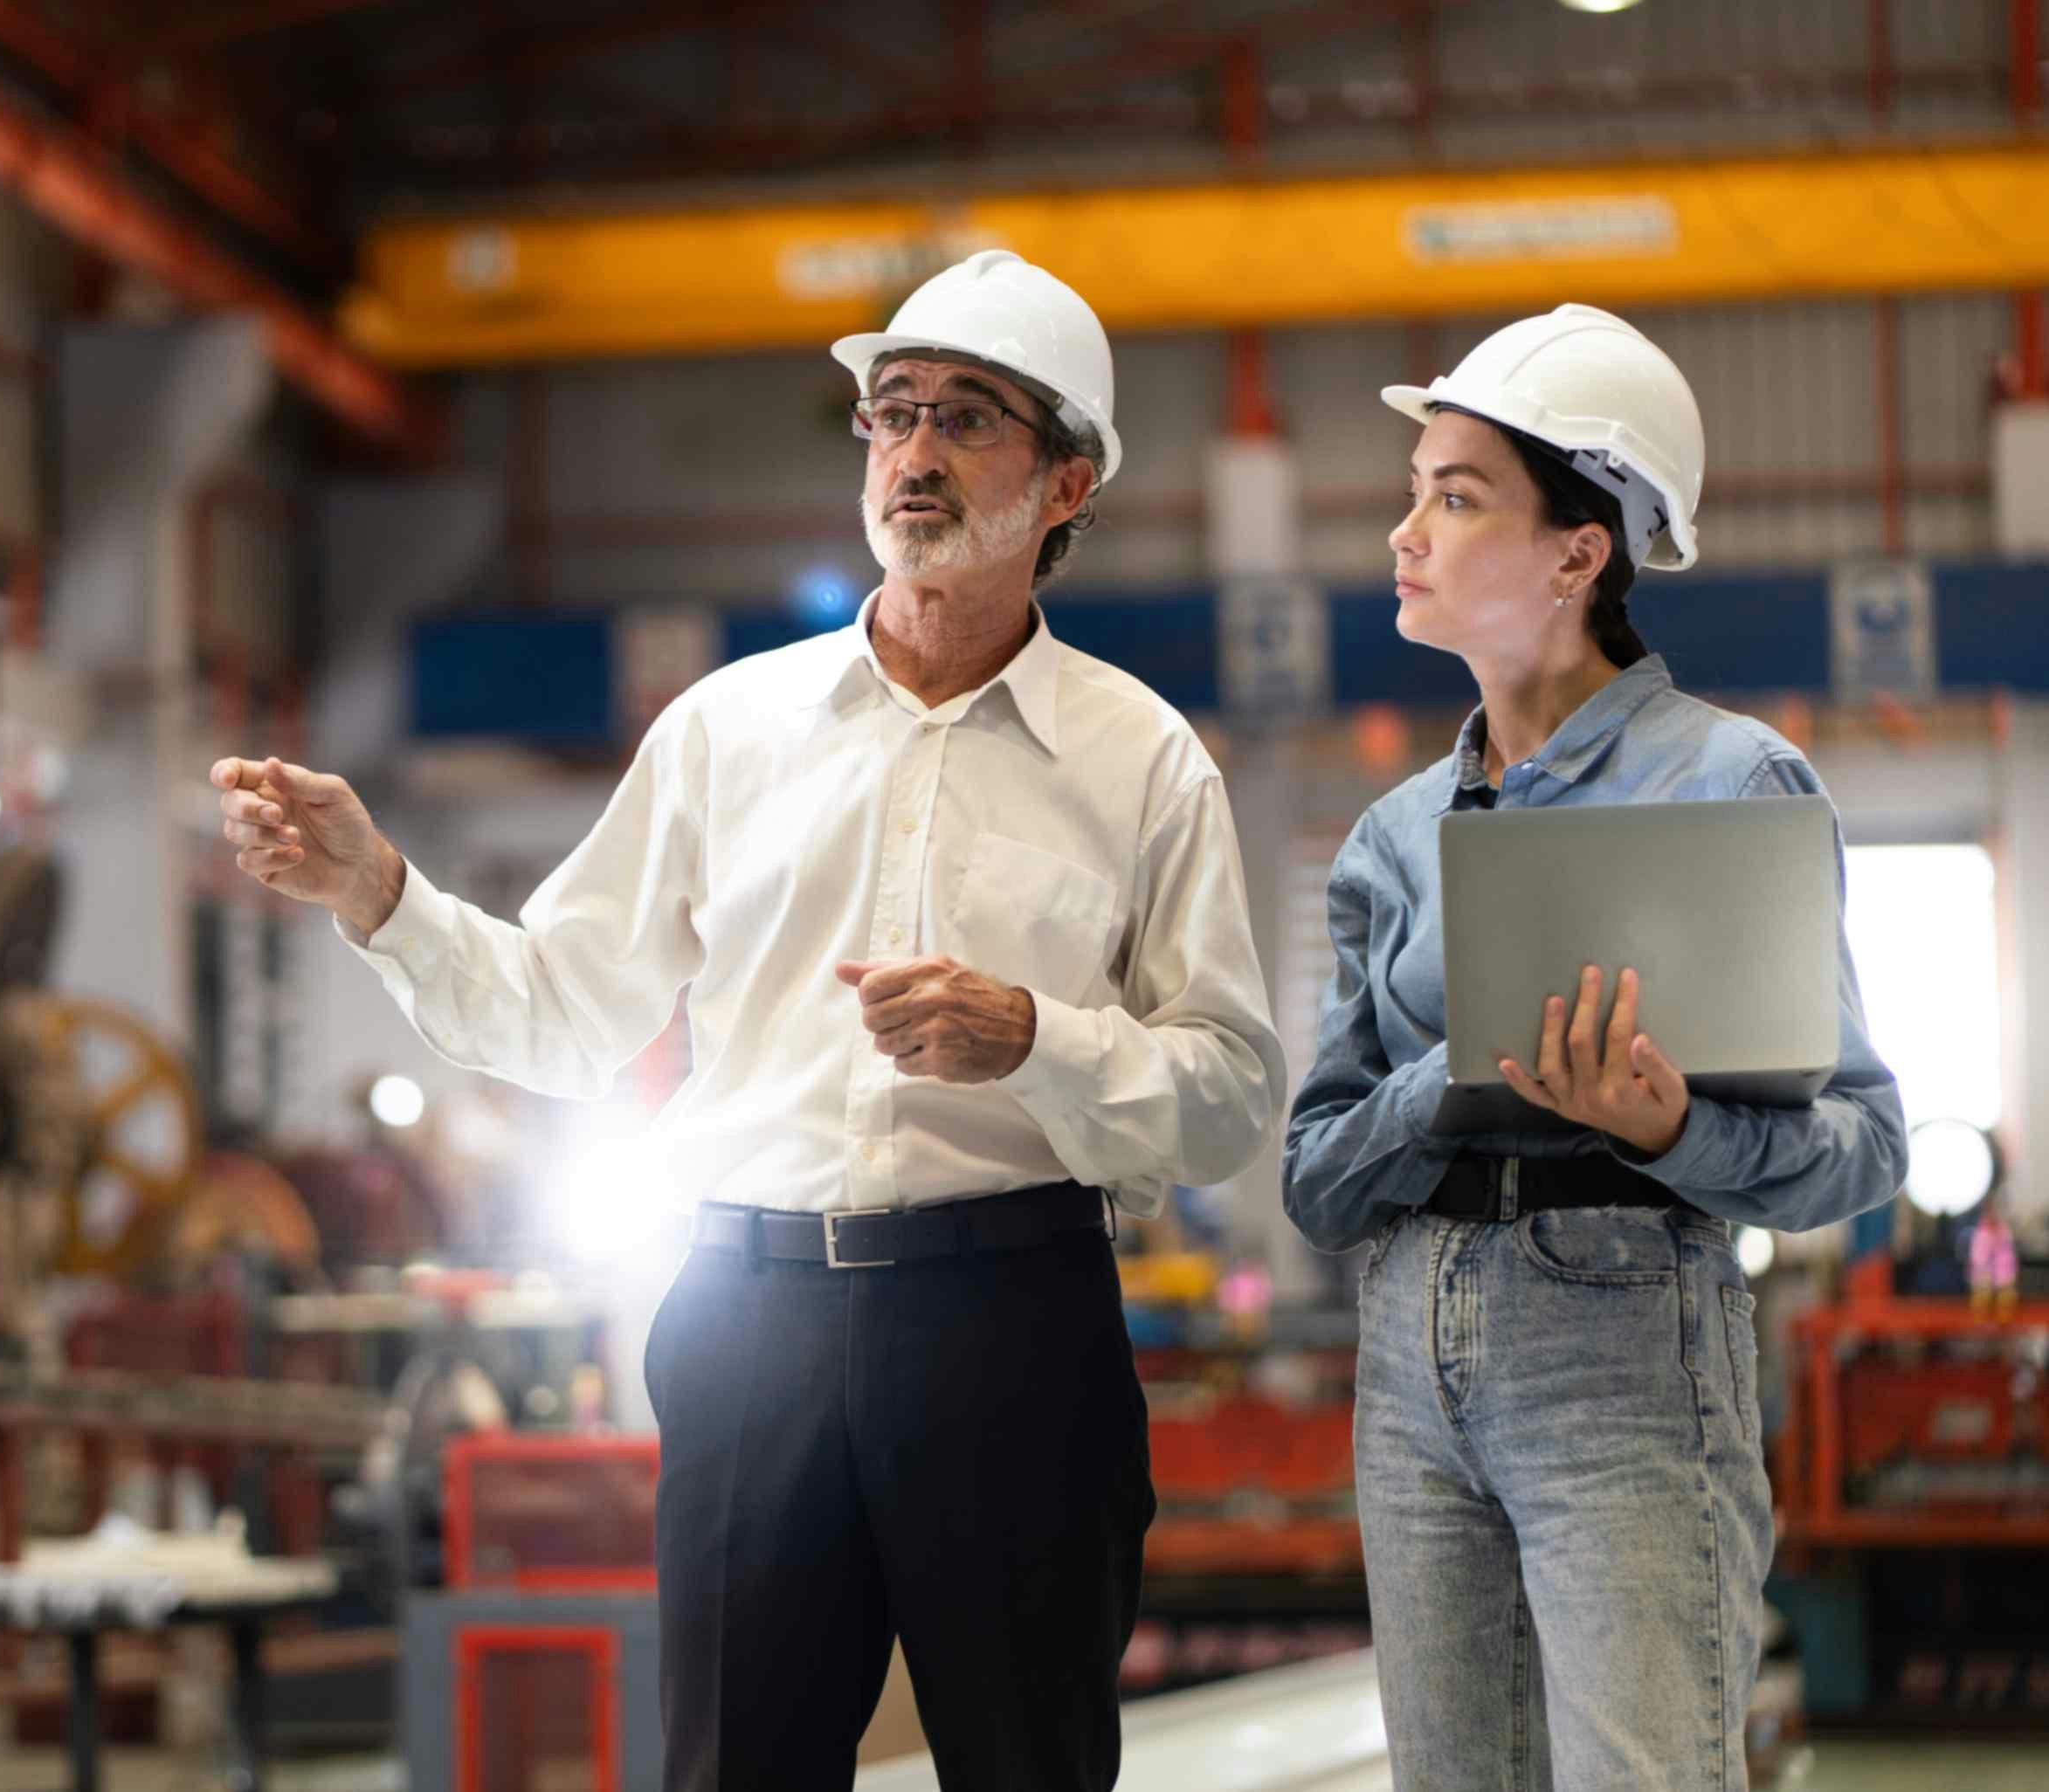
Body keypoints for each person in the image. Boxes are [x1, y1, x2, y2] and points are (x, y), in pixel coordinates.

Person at [214, 249, 1285, 1790]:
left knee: (1029, 1766)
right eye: (889, 413)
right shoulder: (731, 730)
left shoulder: (1141, 762)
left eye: (965, 419)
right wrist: (384, 890)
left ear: (1064, 485)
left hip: (1009, 1319)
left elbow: (1231, 1090)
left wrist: (1034, 1039)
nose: (911, 452)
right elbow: (569, 1015)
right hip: (746, 1320)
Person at [1283, 304, 1907, 1790]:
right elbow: (1315, 1178)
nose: (1402, 532)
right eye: (1411, 489)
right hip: (1403, 1348)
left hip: (1622, 1343)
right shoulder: (1391, 837)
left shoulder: (1727, 779)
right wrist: (1457, 1073)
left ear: (1579, 551)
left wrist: (1661, 1128)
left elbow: (1863, 1148)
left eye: (1454, 495)